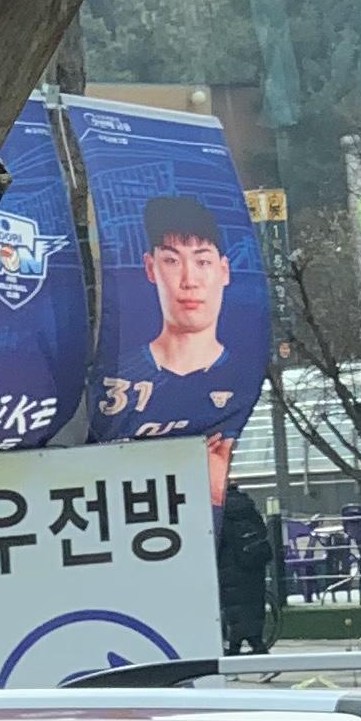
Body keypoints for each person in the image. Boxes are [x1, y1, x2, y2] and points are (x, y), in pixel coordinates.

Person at [90, 196, 262, 506]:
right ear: (150, 267)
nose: (189, 280)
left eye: (203, 261)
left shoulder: (246, 377)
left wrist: (214, 492)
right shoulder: (112, 374)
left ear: (224, 270)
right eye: (171, 260)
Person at [218, 483, 272, 656]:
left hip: (231, 569)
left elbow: (217, 540)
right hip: (254, 566)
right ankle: (253, 648)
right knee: (251, 610)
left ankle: (241, 652)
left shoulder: (220, 513)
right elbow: (263, 531)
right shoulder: (248, 506)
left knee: (235, 613)